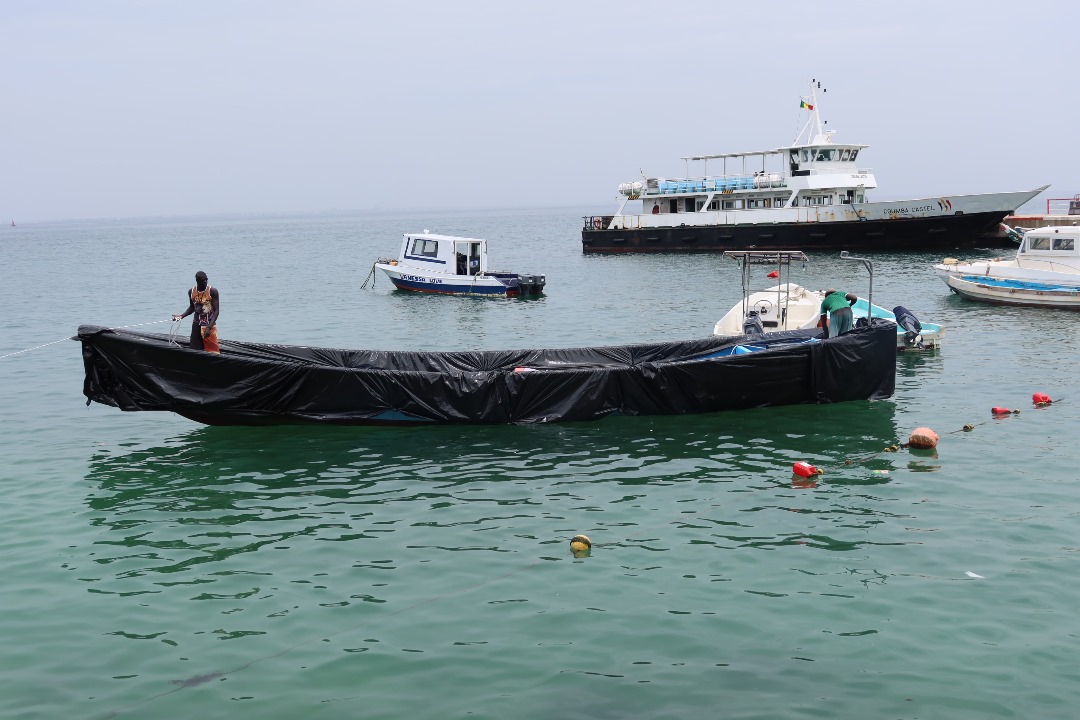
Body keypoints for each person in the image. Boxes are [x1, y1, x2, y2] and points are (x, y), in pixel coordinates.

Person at [172, 271, 220, 353]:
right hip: (196, 324)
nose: (205, 281)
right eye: (203, 280)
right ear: (197, 281)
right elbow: (192, 307)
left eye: (206, 279)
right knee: (195, 350)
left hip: (208, 325)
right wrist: (181, 316)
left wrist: (209, 327)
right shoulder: (191, 292)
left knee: (213, 352)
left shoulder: (212, 291)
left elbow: (216, 311)